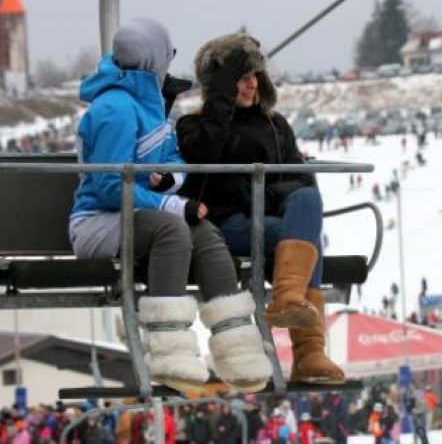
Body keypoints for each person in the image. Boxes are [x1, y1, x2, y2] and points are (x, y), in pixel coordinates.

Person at [68, 19, 271, 393]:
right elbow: (111, 184)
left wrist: (170, 178)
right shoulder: (114, 109)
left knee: (205, 233)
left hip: (140, 214)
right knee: (173, 228)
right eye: (168, 55)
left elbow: (173, 157)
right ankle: (168, 347)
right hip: (99, 221)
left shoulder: (149, 104)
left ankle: (238, 348)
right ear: (153, 59)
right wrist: (171, 204)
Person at [176, 33, 344, 384]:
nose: (252, 85)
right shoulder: (193, 127)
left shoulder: (275, 125)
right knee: (303, 239)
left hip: (269, 221)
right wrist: (221, 101)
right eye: (241, 77)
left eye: (255, 76)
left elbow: (298, 182)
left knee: (308, 202)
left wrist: (265, 196)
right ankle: (308, 350)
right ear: (220, 85)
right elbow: (208, 154)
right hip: (223, 226)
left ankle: (290, 302)